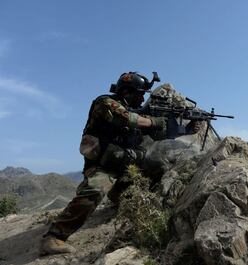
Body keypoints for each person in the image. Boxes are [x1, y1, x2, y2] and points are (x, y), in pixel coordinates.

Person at [40, 72, 167, 255]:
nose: (142, 99)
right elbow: (129, 119)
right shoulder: (105, 103)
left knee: (158, 167)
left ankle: (119, 195)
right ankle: (54, 237)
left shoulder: (132, 110)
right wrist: (154, 121)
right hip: (102, 165)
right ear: (127, 92)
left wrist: (184, 128)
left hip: (124, 161)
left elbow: (154, 132)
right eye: (139, 94)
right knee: (95, 191)